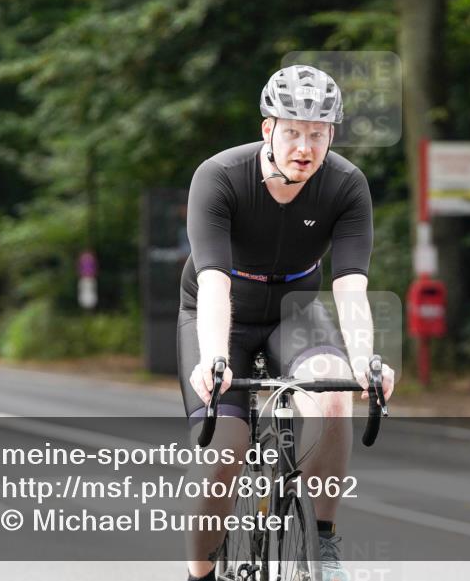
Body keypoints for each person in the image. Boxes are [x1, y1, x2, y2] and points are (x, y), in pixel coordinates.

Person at [176, 64, 396, 581]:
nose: (305, 147)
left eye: (317, 135)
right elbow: (214, 283)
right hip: (220, 314)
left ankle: (322, 540)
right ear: (267, 129)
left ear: (331, 136)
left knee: (334, 395)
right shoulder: (220, 176)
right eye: (293, 132)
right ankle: (199, 575)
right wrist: (214, 359)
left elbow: (350, 286)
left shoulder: (346, 185)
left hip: (295, 312)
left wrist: (365, 361)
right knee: (223, 455)